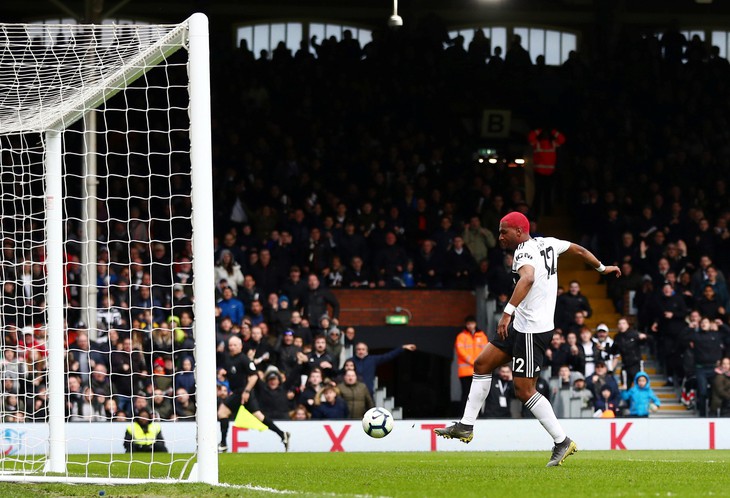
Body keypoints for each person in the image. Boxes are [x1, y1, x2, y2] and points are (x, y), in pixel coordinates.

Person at [435, 211, 620, 467]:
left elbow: (529, 277)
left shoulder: (523, 251)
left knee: (524, 391)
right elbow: (577, 249)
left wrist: (506, 313)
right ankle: (466, 426)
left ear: (519, 232)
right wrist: (601, 267)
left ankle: (562, 441)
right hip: (521, 326)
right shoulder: (549, 243)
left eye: (503, 232)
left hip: (531, 330)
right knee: (482, 364)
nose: (500, 237)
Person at [350, 341, 417, 395]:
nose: (361, 351)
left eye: (363, 349)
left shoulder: (372, 359)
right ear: (356, 351)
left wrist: (402, 348)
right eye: (359, 349)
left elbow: (388, 356)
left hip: (368, 393)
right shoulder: (350, 361)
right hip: (353, 393)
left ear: (367, 351)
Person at [454, 315, 489, 407]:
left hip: (478, 371)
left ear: (475, 324)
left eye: (472, 323)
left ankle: (477, 414)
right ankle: (463, 414)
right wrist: (473, 361)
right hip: (465, 372)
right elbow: (460, 351)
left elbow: (486, 350)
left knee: (478, 394)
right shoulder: (461, 336)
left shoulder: (482, 336)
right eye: (468, 324)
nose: (470, 326)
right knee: (466, 393)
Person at [606, 317, 646, 388]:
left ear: (627, 325)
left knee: (640, 385)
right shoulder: (617, 337)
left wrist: (644, 337)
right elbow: (613, 350)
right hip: (625, 365)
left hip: (636, 364)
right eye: (619, 324)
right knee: (625, 386)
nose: (621, 325)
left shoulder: (634, 334)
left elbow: (646, 341)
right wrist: (604, 349)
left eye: (623, 323)